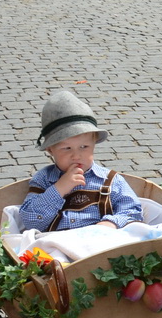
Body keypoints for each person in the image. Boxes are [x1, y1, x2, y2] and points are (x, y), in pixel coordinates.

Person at [17, 91, 147, 231]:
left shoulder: (110, 180)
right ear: (50, 150)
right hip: (57, 245)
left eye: (84, 147)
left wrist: (111, 223)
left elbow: (133, 210)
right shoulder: (44, 179)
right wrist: (59, 188)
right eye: (67, 148)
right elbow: (29, 221)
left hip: (101, 243)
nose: (76, 155)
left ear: (94, 144)